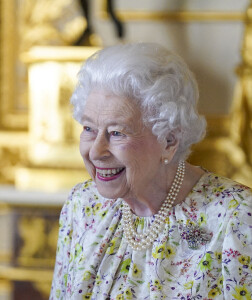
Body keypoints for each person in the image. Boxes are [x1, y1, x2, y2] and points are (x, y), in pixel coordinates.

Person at [49, 43, 252, 299]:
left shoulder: (237, 218)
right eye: (89, 129)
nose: (96, 151)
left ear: (168, 140)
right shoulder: (83, 206)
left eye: (116, 133)